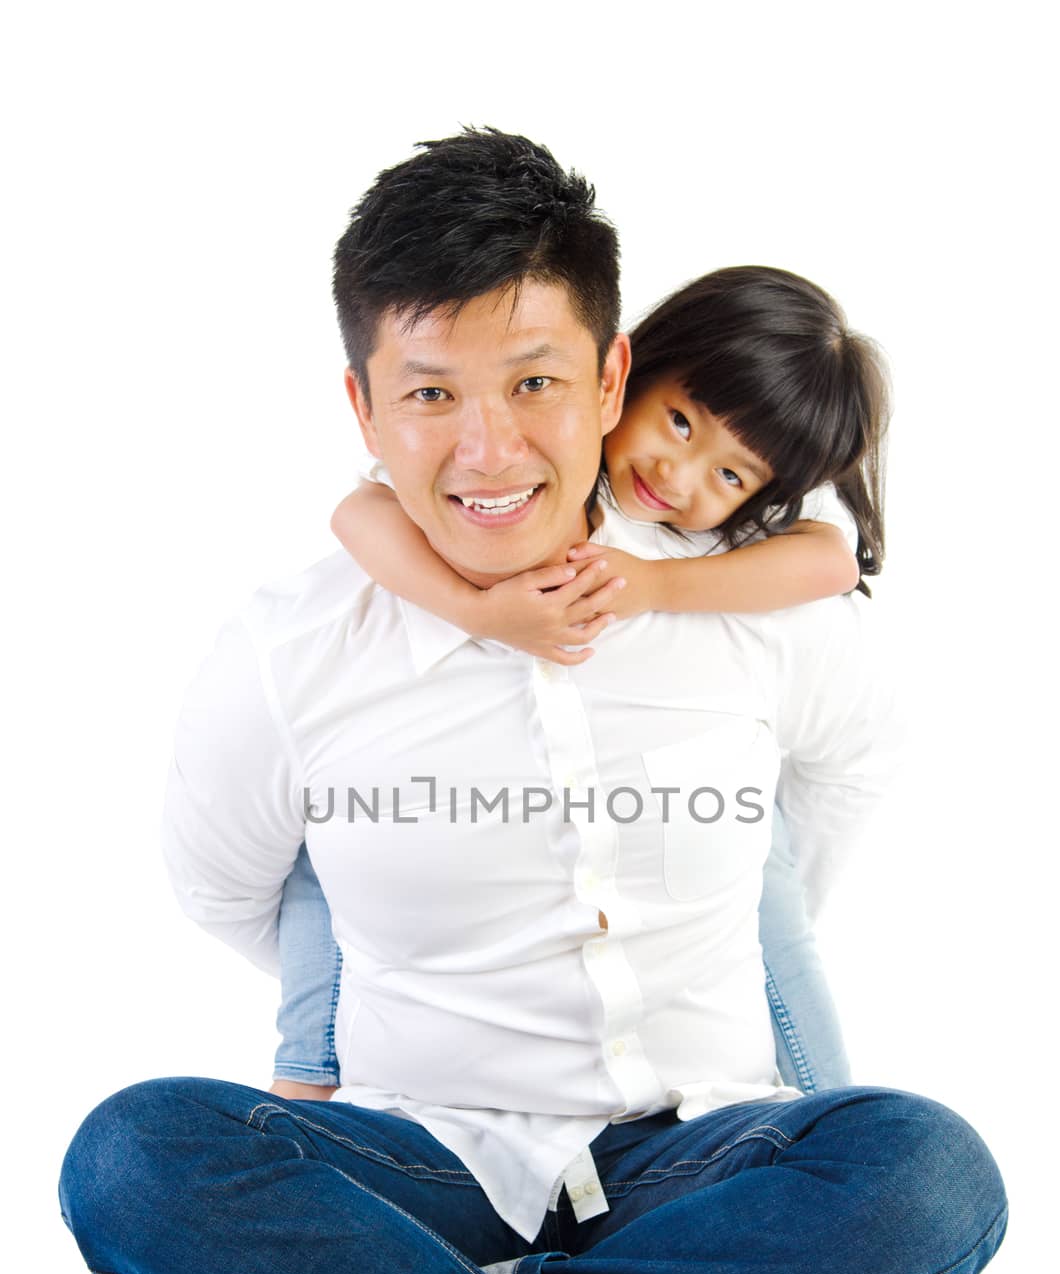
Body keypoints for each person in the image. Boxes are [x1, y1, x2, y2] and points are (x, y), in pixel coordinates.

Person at [57, 128, 1007, 1274]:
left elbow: (835, 799)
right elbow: (229, 888)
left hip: (696, 1169)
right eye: (431, 393)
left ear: (614, 378)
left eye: (538, 384)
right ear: (364, 410)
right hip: (424, 1168)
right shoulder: (291, 651)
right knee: (131, 1162)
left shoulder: (746, 608)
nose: (487, 447)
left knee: (932, 1181)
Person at [273, 262, 889, 1105]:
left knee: (762, 869)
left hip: (691, 811)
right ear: (623, 374)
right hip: (463, 826)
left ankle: (832, 1113)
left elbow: (830, 558)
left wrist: (657, 587)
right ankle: (304, 1076)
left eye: (731, 477)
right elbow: (358, 513)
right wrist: (474, 609)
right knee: (345, 833)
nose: (680, 477)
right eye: (677, 423)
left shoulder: (704, 540)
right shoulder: (547, 454)